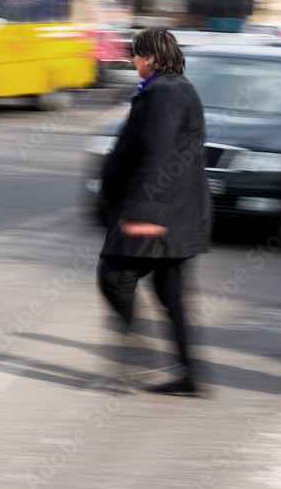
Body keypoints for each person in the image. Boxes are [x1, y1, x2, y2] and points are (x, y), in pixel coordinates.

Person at [98, 27, 211, 396]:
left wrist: (142, 212)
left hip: (158, 215)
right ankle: (190, 377)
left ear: (149, 56)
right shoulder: (179, 88)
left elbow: (156, 155)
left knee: (114, 276)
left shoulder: (163, 93)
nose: (132, 61)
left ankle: (134, 356)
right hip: (178, 214)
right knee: (171, 296)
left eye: (135, 54)